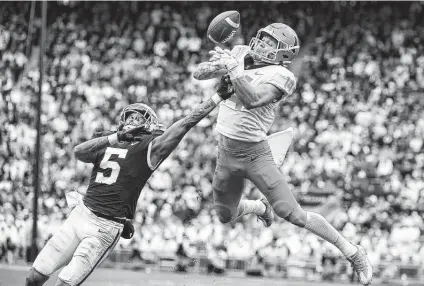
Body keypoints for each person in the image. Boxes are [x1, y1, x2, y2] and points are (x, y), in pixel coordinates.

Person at [193, 23, 372, 285]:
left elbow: (253, 99)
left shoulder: (282, 76)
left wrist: (234, 68)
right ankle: (258, 207)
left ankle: (353, 252)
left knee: (293, 213)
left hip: (256, 154)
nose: (262, 44)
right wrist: (215, 65)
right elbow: (199, 74)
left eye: (270, 43)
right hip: (226, 152)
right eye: (262, 38)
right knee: (224, 215)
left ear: (283, 54)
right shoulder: (242, 53)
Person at [25, 76, 234, 286]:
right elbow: (78, 152)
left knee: (63, 284)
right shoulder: (108, 139)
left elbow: (186, 123)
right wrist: (116, 137)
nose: (133, 121)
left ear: (149, 125)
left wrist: (216, 97)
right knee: (35, 277)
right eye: (130, 117)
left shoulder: (150, 147)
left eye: (139, 118)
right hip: (81, 214)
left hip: (104, 228)